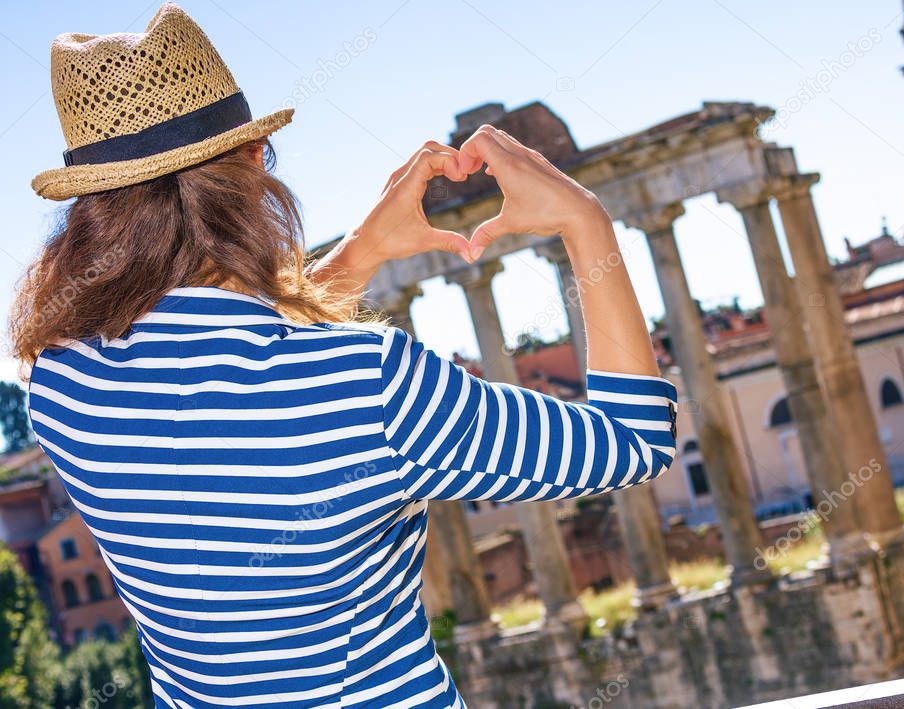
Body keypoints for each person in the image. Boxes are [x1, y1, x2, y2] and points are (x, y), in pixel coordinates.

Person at [13, 4, 678, 707]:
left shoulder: (63, 386)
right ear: (252, 160)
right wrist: (583, 218)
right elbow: (633, 441)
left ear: (91, 207)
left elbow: (238, 362)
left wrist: (363, 250)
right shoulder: (373, 383)